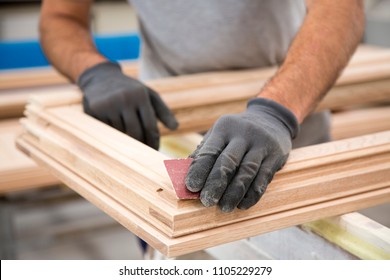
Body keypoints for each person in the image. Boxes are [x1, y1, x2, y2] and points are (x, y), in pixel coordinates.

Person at [39, 0, 364, 213]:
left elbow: (340, 8)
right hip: (162, 146)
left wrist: (277, 110)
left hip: (285, 139)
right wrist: (93, 71)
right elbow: (60, 17)